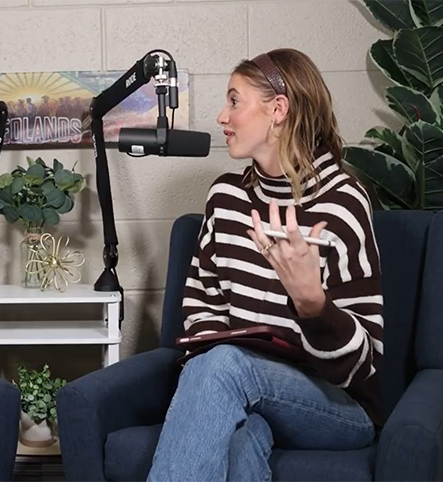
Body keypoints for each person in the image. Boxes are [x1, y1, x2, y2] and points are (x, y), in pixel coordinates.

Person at [147, 48, 384, 481]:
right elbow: (202, 310)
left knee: (224, 365)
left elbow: (363, 365)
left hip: (334, 406)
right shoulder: (226, 198)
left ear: (278, 110)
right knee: (237, 436)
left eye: (234, 100)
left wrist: (313, 304)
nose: (222, 116)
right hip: (241, 393)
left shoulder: (343, 203)